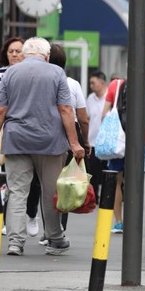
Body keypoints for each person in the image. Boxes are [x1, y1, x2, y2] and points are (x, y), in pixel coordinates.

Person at [0, 37, 84, 256]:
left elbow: (0, 111)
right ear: (46, 56)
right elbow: (66, 109)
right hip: (50, 141)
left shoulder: (10, 73)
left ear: (25, 54)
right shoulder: (56, 73)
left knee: (17, 192)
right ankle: (55, 238)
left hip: (16, 140)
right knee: (50, 191)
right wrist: (74, 143)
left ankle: (15, 242)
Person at [100, 75, 145, 233]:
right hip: (140, 142)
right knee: (135, 184)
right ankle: (133, 222)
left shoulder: (115, 85)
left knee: (117, 182)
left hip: (117, 144)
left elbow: (104, 114)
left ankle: (118, 222)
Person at [0, 37, 42, 239]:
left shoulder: (34, 73)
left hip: (30, 131)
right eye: (11, 51)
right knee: (9, 179)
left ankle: (31, 213)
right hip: (6, 130)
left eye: (18, 51)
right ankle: (10, 220)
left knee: (32, 181)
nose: (14, 54)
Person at [49, 44, 89, 232]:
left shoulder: (42, 81)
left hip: (46, 131)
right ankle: (59, 228)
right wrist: (85, 141)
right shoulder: (73, 84)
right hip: (70, 131)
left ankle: (43, 226)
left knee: (46, 183)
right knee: (65, 181)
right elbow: (82, 118)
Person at [86, 71, 107, 200]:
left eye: (93, 83)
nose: (91, 86)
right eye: (90, 83)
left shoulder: (110, 98)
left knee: (105, 171)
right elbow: (87, 118)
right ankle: (95, 197)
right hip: (92, 141)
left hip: (106, 142)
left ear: (102, 82)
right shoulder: (90, 98)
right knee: (93, 171)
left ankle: (106, 196)